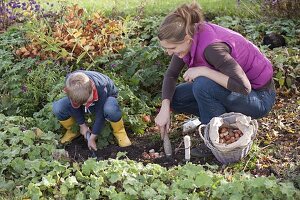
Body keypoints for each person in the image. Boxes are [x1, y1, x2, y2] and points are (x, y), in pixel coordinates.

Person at [154, 3, 276, 139]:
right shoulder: (188, 39)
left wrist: (203, 70)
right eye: (166, 49)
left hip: (259, 97)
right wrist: (165, 107)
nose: (169, 53)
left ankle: (213, 138)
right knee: (175, 98)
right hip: (234, 91)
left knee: (202, 84)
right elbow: (171, 75)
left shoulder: (212, 49)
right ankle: (225, 122)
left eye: (172, 48)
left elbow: (244, 87)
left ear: (187, 39)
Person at [52, 70, 132, 150]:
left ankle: (119, 132)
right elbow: (74, 106)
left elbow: (100, 115)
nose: (85, 104)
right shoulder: (70, 85)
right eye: (82, 104)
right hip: (85, 96)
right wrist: (82, 125)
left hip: (107, 97)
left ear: (92, 88)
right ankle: (73, 131)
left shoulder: (101, 87)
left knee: (110, 109)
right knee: (58, 108)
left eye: (87, 102)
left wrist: (93, 137)